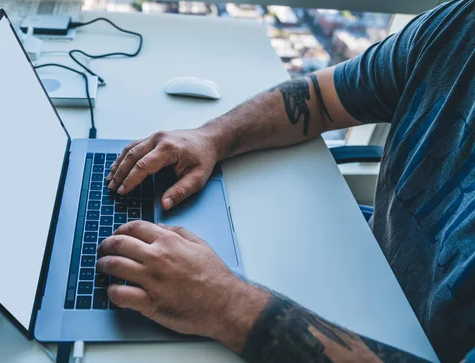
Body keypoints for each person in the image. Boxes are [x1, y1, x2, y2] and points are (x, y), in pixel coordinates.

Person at [96, 1, 475, 361]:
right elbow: (319, 98)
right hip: (363, 259)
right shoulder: (459, 26)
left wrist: (223, 303)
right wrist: (211, 137)